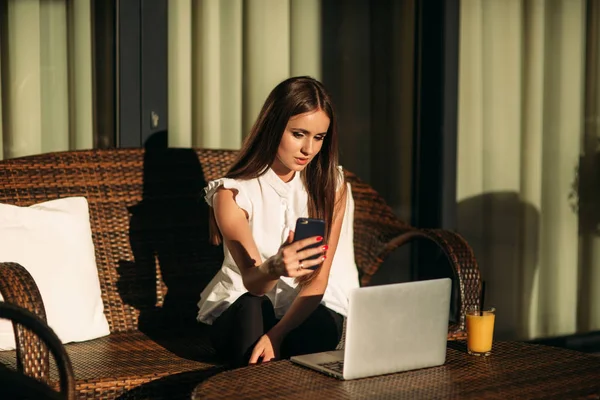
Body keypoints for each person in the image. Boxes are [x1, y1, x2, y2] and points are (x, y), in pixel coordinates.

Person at [197, 76, 359, 367]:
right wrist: (275, 266)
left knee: (323, 323)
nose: (308, 149)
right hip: (246, 305)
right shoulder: (232, 194)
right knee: (251, 312)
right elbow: (253, 283)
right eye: (298, 134)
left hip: (301, 310)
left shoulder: (332, 186)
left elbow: (319, 278)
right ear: (274, 127)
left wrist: (278, 334)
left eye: (319, 137)